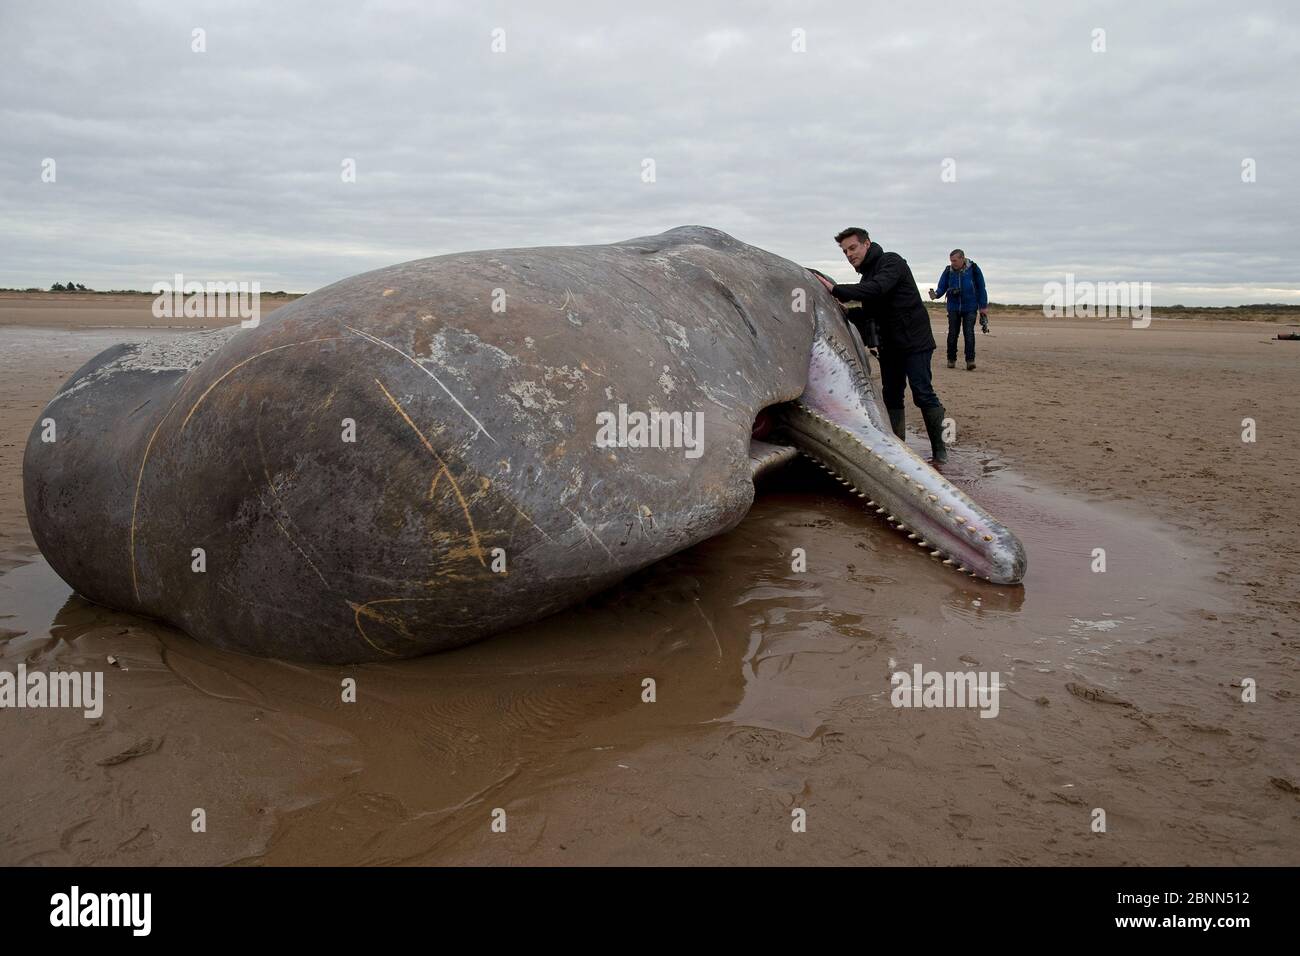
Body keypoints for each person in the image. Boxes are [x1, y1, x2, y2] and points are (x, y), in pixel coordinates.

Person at [814, 226, 948, 464]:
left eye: (853, 248)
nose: (850, 254)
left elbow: (878, 289)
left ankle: (940, 452)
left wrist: (836, 290)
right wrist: (846, 312)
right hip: (890, 346)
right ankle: (898, 449)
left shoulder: (892, 262)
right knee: (892, 396)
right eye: (845, 252)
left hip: (914, 342)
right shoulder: (866, 276)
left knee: (922, 393)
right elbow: (871, 313)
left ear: (867, 244)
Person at [928, 249, 987, 370]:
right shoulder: (948, 271)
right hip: (953, 307)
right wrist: (936, 294)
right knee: (952, 334)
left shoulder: (974, 269)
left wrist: (983, 307)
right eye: (951, 261)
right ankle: (951, 359)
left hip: (970, 307)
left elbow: (981, 288)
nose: (952, 263)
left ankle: (970, 361)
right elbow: (942, 287)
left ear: (962, 258)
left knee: (969, 334)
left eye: (954, 260)